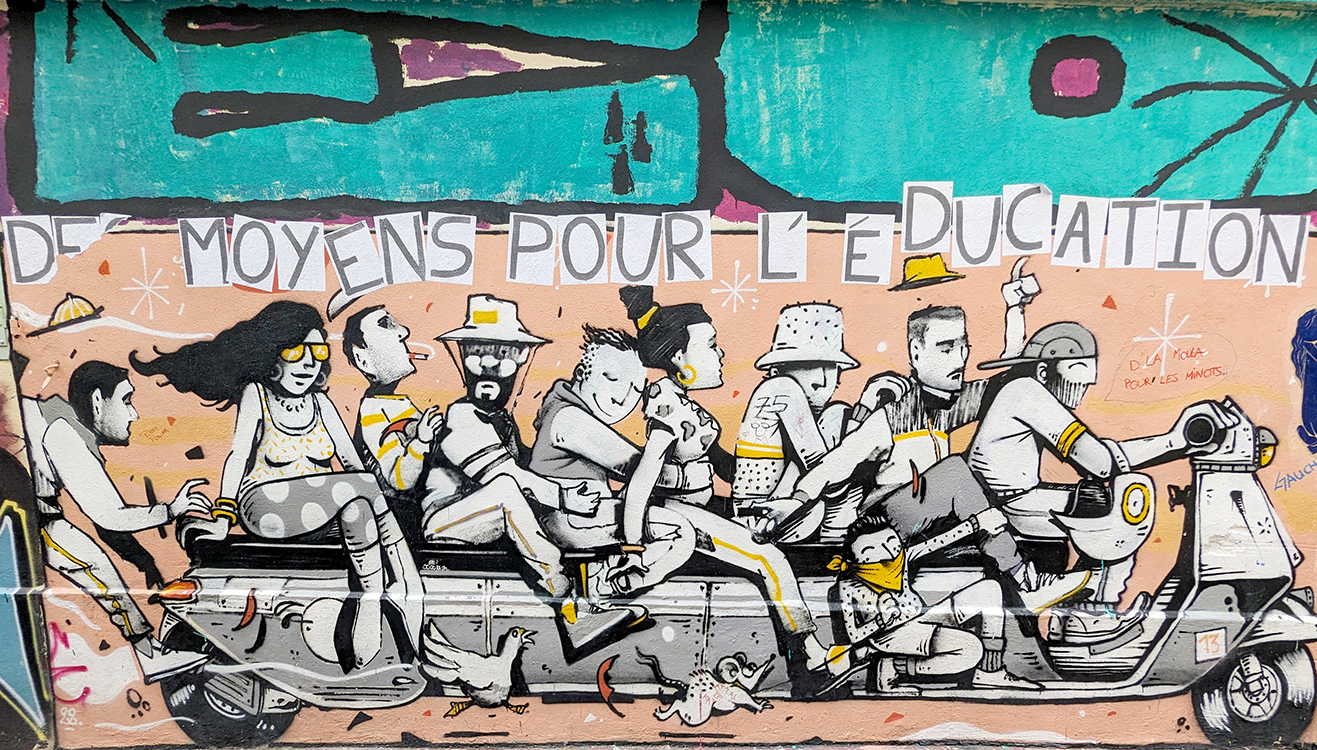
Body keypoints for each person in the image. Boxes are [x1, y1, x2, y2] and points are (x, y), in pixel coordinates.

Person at [130, 301, 422, 672]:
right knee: (359, 488)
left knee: (359, 505)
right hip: (265, 507)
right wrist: (223, 517)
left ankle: (379, 596)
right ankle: (399, 590)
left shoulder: (321, 404)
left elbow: (353, 464)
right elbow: (238, 456)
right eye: (296, 351)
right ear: (272, 354)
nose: (309, 363)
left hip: (318, 520)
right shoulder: (258, 396)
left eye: (317, 352)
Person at [617, 285, 848, 687]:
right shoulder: (667, 408)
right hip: (677, 514)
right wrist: (634, 547)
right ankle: (809, 657)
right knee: (768, 559)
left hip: (703, 508)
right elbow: (642, 482)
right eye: (711, 345)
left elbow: (725, 466)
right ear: (679, 358)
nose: (721, 353)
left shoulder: (687, 406)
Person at [967, 321, 1237, 637]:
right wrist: (1175, 441)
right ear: (1044, 371)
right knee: (1125, 511)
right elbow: (1099, 462)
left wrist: (1175, 441)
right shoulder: (1026, 392)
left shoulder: (1024, 392)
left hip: (1012, 499)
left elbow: (1098, 456)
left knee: (1100, 503)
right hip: (1002, 505)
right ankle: (1094, 615)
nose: (1080, 392)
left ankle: (1074, 611)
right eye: (1075, 381)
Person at [429, 295, 638, 658]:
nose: (490, 366)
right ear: (463, 357)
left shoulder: (503, 421)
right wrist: (563, 497)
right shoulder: (460, 418)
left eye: (503, 356)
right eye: (478, 353)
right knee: (507, 492)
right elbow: (504, 474)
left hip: (486, 523)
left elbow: (526, 471)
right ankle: (568, 606)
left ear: (521, 359)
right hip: (445, 524)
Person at [23, 361, 212, 681]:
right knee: (91, 562)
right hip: (31, 518)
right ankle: (148, 653)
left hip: (31, 514)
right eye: (126, 400)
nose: (134, 414)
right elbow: (109, 515)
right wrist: (170, 510)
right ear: (98, 401)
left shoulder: (55, 421)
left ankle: (148, 652)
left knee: (92, 561)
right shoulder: (62, 432)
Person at [528, 325, 695, 597]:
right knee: (680, 532)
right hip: (568, 519)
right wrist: (689, 476)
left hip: (583, 515)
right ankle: (609, 584)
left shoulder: (565, 410)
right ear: (581, 374)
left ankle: (601, 583)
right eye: (613, 379)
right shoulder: (568, 418)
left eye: (636, 388)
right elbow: (632, 466)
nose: (623, 397)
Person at [828, 513, 1040, 694]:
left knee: (989, 589)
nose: (889, 552)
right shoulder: (848, 585)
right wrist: (880, 621)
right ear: (856, 557)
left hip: (921, 619)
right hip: (892, 636)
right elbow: (854, 636)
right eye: (872, 550)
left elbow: (936, 542)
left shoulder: (901, 559)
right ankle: (894, 666)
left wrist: (975, 523)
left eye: (891, 542)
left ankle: (989, 672)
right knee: (971, 650)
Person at [730, 303, 863, 542]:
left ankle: (834, 536)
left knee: (838, 414)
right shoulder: (781, 389)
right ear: (780, 368)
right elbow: (822, 466)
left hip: (790, 509)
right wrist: (860, 420)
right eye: (810, 365)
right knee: (838, 418)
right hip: (763, 518)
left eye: (831, 367)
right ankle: (835, 535)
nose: (823, 381)